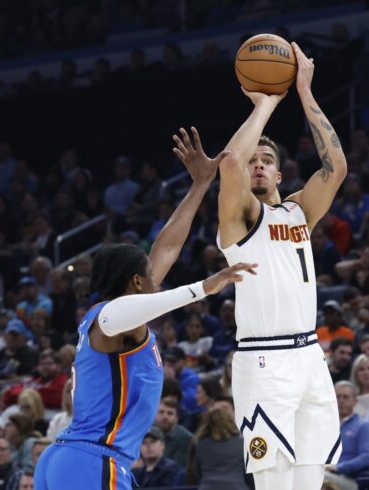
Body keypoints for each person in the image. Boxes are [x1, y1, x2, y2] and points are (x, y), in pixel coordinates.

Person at [35, 126, 256, 490]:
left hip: (77, 460)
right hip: (91, 459)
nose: (157, 277)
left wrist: (200, 186)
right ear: (136, 282)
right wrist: (206, 286)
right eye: (149, 275)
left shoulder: (122, 318)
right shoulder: (108, 316)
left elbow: (167, 247)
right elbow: (130, 310)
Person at [216, 42, 347, 489]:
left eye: (266, 162)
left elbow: (336, 168)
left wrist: (306, 92)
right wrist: (268, 103)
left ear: (279, 175)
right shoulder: (240, 220)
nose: (257, 166)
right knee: (275, 483)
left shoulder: (298, 213)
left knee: (311, 480)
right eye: (254, 161)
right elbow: (230, 162)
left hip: (310, 355)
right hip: (265, 359)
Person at [323, 382, 369, 490]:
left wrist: (337, 468)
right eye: (337, 397)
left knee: (320, 479)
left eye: (345, 397)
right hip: (326, 473)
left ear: (355, 401)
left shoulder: (364, 425)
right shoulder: (324, 426)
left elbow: (367, 458)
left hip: (352, 480)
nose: (341, 400)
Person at [186, 408, 249, 490]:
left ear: (207, 422)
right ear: (230, 421)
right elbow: (248, 471)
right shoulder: (243, 442)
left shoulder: (199, 443)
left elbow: (194, 472)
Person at [154, 399, 192, 468]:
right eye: (161, 412)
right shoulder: (146, 433)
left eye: (170, 413)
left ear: (176, 418)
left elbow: (177, 467)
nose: (165, 417)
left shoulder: (186, 438)